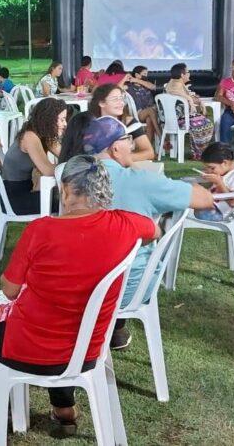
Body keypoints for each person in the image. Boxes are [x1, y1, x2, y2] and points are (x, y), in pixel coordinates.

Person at [0, 155, 159, 440]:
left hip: (31, 349)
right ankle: (63, 407)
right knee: (65, 317)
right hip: (86, 348)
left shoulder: (41, 230)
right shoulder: (125, 225)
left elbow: (9, 290)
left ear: (65, 190)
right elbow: (155, 229)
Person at [80, 116, 212, 348]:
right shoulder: (141, 181)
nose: (132, 146)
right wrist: (192, 185)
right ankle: (107, 333)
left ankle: (104, 332)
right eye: (128, 140)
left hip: (78, 280)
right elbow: (205, 199)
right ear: (115, 147)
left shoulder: (72, 178)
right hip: (128, 287)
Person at [1, 97, 67, 215]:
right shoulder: (30, 136)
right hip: (15, 198)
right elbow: (47, 170)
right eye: (62, 120)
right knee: (70, 201)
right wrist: (72, 165)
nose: (65, 124)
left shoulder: (42, 133)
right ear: (49, 119)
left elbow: (65, 154)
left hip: (24, 190)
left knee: (71, 197)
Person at [89, 83, 156, 161]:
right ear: (101, 103)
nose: (121, 103)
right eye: (115, 99)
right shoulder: (90, 125)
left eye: (121, 98)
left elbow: (149, 153)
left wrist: (120, 158)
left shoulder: (129, 123)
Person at [164, 63, 215, 160]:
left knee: (202, 120)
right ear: (182, 75)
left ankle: (198, 153)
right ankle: (199, 153)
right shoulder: (176, 85)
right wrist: (191, 99)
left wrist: (195, 100)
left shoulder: (174, 83)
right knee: (207, 124)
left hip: (174, 118)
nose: (189, 74)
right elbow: (179, 96)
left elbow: (183, 97)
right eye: (187, 72)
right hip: (179, 119)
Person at [193, 142, 234, 222]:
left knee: (179, 207)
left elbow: (233, 202)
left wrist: (219, 183)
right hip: (209, 203)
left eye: (212, 168)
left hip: (219, 212)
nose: (209, 170)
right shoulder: (226, 170)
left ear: (225, 163)